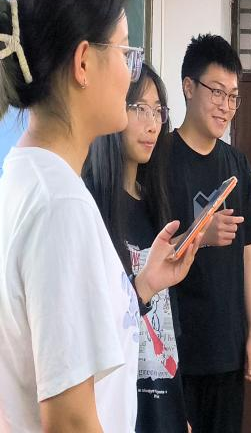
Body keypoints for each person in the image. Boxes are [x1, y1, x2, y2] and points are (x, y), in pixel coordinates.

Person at [0, 0, 202, 432]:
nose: (131, 71)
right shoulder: (61, 206)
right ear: (84, 62)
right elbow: (70, 420)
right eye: (126, 52)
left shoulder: (26, 174)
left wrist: (144, 285)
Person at [83, 63, 188, 432]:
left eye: (158, 111)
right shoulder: (89, 203)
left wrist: (178, 409)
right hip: (114, 407)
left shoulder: (154, 203)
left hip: (162, 401)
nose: (152, 123)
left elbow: (167, 323)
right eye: (140, 108)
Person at [168, 33, 251, 433]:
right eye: (217, 92)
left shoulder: (236, 163)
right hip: (176, 350)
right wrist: (201, 236)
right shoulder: (159, 159)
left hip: (228, 349)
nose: (226, 106)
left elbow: (248, 251)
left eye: (233, 96)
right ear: (189, 87)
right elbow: (145, 254)